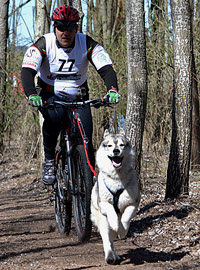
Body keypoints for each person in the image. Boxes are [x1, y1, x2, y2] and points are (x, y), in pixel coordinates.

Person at [21, 5, 120, 185]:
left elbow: (106, 69)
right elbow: (27, 71)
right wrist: (31, 94)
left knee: (86, 139)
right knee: (54, 119)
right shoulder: (44, 44)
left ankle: (86, 183)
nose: (65, 32)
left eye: (70, 28)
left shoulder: (87, 43)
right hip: (50, 96)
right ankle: (50, 159)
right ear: (54, 28)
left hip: (79, 97)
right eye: (60, 27)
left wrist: (112, 89)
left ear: (76, 28)